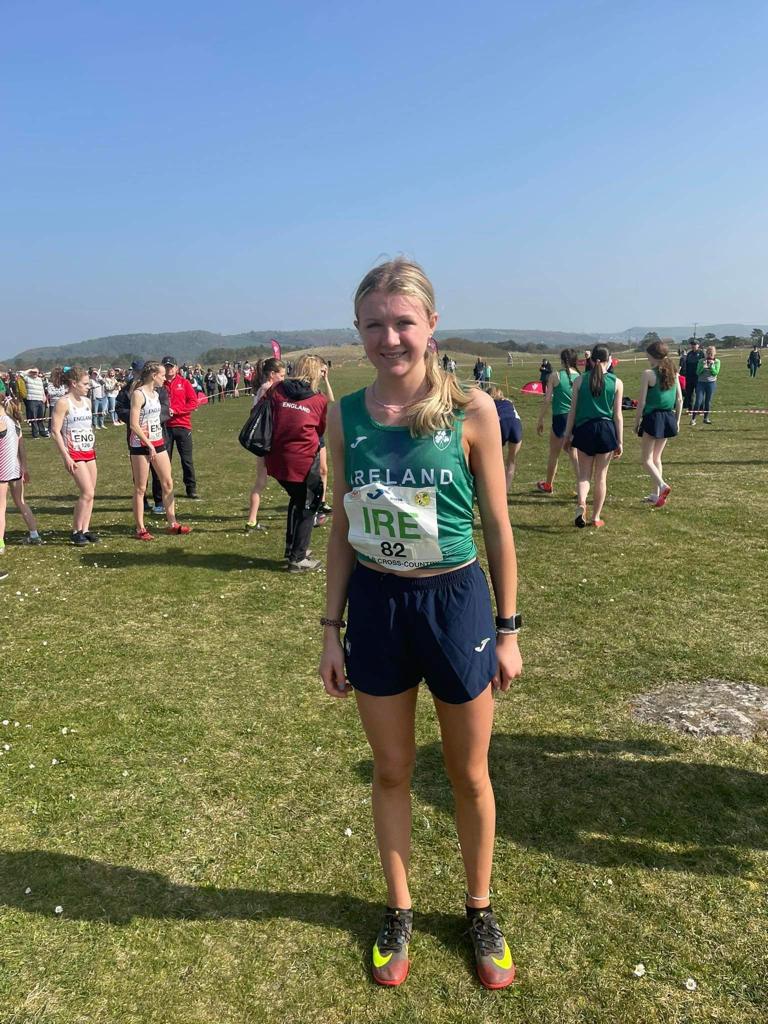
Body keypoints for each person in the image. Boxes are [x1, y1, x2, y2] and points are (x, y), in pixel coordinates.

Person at [319, 259, 522, 990]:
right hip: (377, 606)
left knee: (468, 774)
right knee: (393, 769)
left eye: (403, 321)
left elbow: (498, 527)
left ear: (432, 325)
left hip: (455, 604)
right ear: (359, 331)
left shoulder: (473, 409)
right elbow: (342, 526)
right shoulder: (343, 414)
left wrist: (508, 629)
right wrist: (329, 628)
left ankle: (479, 908)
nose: (389, 337)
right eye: (374, 324)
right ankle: (399, 910)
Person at [264, 355, 327, 571]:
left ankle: (293, 547)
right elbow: (321, 430)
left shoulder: (278, 390)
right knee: (309, 503)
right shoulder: (318, 400)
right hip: (302, 461)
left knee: (298, 499)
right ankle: (298, 558)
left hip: (276, 458)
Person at [128, 361, 191, 540]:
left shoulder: (156, 394)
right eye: (162, 375)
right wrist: (147, 443)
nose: (165, 378)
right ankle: (140, 528)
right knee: (140, 488)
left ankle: (173, 523)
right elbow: (133, 424)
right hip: (140, 445)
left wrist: (154, 442)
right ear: (154, 375)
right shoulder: (138, 395)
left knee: (168, 482)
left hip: (158, 442)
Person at [563, 344, 623, 528]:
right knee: (601, 477)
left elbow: (572, 411)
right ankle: (596, 517)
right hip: (606, 430)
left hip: (584, 429)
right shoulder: (616, 382)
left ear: (590, 359)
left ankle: (581, 503)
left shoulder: (580, 381)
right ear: (610, 360)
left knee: (584, 475)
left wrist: (567, 436)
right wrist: (619, 441)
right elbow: (618, 415)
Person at [50, 366, 99, 545]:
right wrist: (66, 457)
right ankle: (76, 530)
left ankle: (86, 529)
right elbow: (55, 431)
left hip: (89, 452)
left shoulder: (87, 402)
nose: (89, 386)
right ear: (73, 384)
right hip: (74, 453)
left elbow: (88, 427)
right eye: (85, 383)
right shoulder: (63, 402)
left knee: (91, 493)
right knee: (86, 492)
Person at [634, 340, 682, 507]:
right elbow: (680, 400)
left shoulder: (648, 373)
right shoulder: (674, 373)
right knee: (657, 458)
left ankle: (662, 486)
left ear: (653, 356)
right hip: (668, 416)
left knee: (646, 459)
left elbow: (641, 402)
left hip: (653, 418)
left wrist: (636, 421)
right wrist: (677, 421)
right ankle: (656, 495)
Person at [244, 357, 285, 534]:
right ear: (272, 374)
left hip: (263, 442)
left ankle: (251, 521)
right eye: (281, 375)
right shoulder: (269, 389)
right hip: (268, 442)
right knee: (264, 481)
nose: (284, 379)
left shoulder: (262, 389)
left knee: (260, 482)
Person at [0, 397, 42, 553]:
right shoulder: (14, 422)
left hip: (2, 470)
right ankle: (34, 534)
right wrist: (24, 468)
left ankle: (0, 544)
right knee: (21, 502)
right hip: (15, 468)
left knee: (0, 507)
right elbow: (22, 450)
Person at [535, 348, 580, 494]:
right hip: (576, 417)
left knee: (554, 454)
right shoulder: (580, 376)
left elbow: (547, 399)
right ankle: (582, 487)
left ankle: (548, 485)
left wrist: (540, 419)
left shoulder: (555, 376)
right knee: (574, 453)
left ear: (562, 360)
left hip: (560, 417)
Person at [160, 356, 200, 499]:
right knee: (164, 461)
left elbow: (193, 403)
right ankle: (163, 490)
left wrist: (175, 410)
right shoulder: (159, 384)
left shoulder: (184, 383)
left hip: (183, 426)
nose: (169, 369)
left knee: (187, 460)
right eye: (166, 366)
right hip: (165, 427)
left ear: (176, 368)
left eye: (171, 366)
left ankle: (191, 488)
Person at [488, 386, 522, 488]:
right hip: (516, 425)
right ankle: (505, 491)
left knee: (496, 459)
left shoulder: (490, 404)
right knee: (511, 460)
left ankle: (493, 487)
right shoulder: (509, 402)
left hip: (501, 424)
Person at [691, 345, 721, 425]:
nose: (709, 356)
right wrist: (702, 367)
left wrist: (712, 366)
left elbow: (715, 373)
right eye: (708, 353)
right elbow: (697, 372)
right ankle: (693, 419)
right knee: (698, 401)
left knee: (708, 401)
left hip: (711, 383)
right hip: (701, 383)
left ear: (714, 354)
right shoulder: (701, 361)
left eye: (711, 354)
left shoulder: (717, 361)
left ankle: (706, 418)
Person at [19, 367, 49, 438]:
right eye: (34, 372)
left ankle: (42, 431)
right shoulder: (27, 378)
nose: (35, 374)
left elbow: (42, 389)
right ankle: (35, 434)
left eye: (36, 372)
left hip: (40, 400)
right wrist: (29, 370)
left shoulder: (40, 380)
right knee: (33, 418)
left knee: (40, 417)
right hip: (32, 400)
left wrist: (44, 397)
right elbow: (20, 375)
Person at [45, 367, 68, 434]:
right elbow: (50, 393)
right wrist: (58, 393)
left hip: (61, 403)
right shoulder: (50, 383)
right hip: (53, 403)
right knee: (52, 418)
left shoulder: (61, 384)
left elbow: (63, 392)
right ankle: (50, 429)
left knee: (62, 417)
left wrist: (56, 393)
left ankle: (61, 429)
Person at [682, 339, 701, 412]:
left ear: (698, 345)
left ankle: (700, 409)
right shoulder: (689, 354)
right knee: (689, 393)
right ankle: (690, 409)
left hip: (698, 377)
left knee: (699, 393)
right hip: (689, 377)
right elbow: (686, 364)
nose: (693, 346)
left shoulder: (701, 353)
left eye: (695, 344)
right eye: (692, 344)